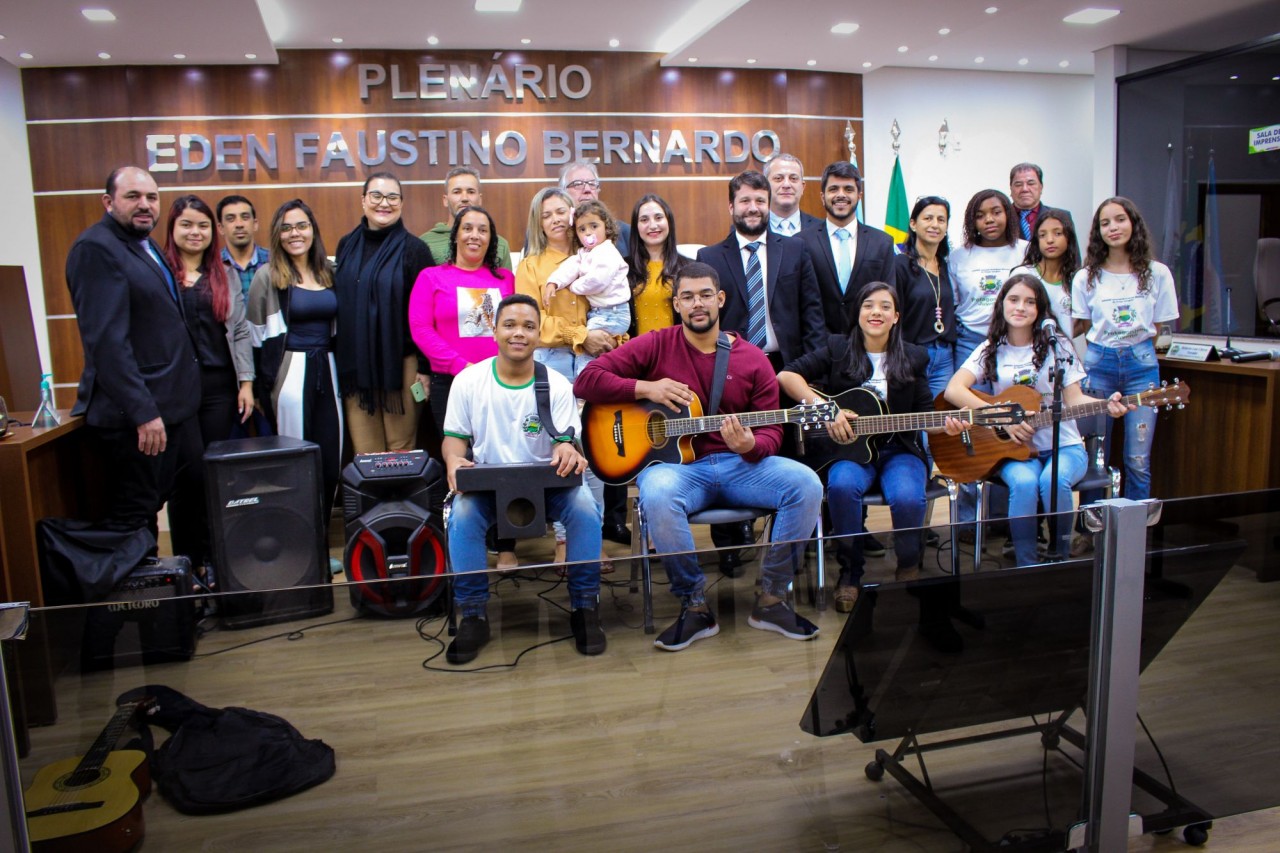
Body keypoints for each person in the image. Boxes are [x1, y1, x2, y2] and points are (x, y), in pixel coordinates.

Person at [574, 262, 824, 651]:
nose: (697, 304)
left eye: (705, 294)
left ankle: (773, 598)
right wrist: (647, 389)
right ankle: (694, 605)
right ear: (676, 304)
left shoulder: (752, 359)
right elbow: (586, 380)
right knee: (655, 491)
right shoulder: (656, 344)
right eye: (687, 296)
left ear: (720, 299)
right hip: (680, 471)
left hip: (742, 466)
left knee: (806, 483)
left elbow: (773, 431)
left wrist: (751, 447)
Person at [442, 293, 605, 664]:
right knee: (464, 515)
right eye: (510, 325)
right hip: (487, 486)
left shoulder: (559, 386)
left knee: (583, 506)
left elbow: (567, 440)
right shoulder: (468, 381)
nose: (519, 333)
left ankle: (584, 607)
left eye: (529, 326)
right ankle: (472, 613)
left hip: (546, 486)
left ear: (538, 334)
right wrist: (453, 461)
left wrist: (567, 449)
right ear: (494, 330)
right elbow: (454, 442)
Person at [779, 281, 950, 612]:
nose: (877, 312)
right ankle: (851, 573)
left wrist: (949, 424)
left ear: (897, 316)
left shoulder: (914, 356)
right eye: (869, 305)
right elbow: (787, 377)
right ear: (857, 313)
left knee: (906, 496)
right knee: (842, 487)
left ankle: (908, 563)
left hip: (899, 449)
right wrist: (826, 409)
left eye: (885, 306)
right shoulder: (837, 348)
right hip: (848, 450)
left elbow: (926, 414)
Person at [946, 274, 1131, 566]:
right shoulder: (990, 348)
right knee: (1024, 483)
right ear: (1002, 304)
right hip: (1015, 450)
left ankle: (1059, 555)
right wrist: (1001, 419)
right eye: (1014, 299)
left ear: (1040, 309)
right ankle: (1027, 565)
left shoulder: (1059, 349)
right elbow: (954, 389)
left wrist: (1108, 405)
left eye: (1030, 302)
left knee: (1053, 479)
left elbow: (1075, 400)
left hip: (1065, 446)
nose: (1021, 307)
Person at [65, 166, 202, 556]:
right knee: (133, 519)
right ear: (108, 202)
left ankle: (170, 599)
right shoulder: (95, 249)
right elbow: (107, 343)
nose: (145, 205)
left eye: (152, 197)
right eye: (133, 197)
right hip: (137, 419)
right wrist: (143, 412)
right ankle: (132, 610)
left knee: (174, 497)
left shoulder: (145, 244)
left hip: (173, 407)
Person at [407, 206, 516, 565]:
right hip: (450, 383)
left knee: (501, 459)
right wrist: (461, 367)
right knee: (461, 460)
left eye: (482, 230)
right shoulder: (431, 277)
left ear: (492, 239)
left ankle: (505, 546)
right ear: (455, 235)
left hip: (503, 382)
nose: (474, 235)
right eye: (467, 228)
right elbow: (420, 329)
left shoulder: (503, 281)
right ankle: (465, 545)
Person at [515, 187, 614, 567]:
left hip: (596, 360)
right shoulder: (531, 265)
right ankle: (561, 540)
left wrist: (602, 337)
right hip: (553, 361)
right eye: (547, 214)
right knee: (561, 448)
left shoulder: (595, 256)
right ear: (538, 223)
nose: (557, 219)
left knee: (595, 448)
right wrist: (580, 335)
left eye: (562, 211)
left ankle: (592, 536)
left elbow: (611, 303)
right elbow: (531, 322)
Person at [162, 195, 254, 569]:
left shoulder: (224, 273)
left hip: (218, 388)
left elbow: (242, 330)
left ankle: (219, 561)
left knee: (214, 476)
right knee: (186, 477)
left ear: (211, 232)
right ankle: (188, 562)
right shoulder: (161, 272)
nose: (194, 232)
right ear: (172, 229)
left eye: (201, 225)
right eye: (186, 224)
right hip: (177, 389)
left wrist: (246, 381)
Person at [1071, 197, 1179, 503]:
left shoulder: (1157, 273)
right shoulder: (1086, 276)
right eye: (1105, 223)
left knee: (1138, 458)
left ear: (1134, 223)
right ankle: (1090, 530)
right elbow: (1083, 324)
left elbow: (1160, 327)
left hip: (1141, 365)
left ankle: (1135, 533)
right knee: (1094, 456)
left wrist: (1134, 348)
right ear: (1097, 232)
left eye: (1120, 220)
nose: (1113, 228)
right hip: (1098, 364)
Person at [246, 200, 344, 523]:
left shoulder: (329, 272)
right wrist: (261, 390)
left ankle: (321, 531)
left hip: (329, 371)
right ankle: (299, 542)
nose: (295, 234)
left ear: (313, 231)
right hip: (289, 374)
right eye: (286, 228)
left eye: (301, 225)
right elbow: (256, 338)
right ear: (277, 234)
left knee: (333, 455)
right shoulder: (268, 277)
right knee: (296, 461)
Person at [334, 172, 436, 454]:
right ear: (363, 201)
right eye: (376, 196)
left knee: (400, 451)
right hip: (357, 366)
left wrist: (425, 370)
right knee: (366, 454)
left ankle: (400, 501)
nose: (384, 203)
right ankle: (374, 501)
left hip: (402, 366)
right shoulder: (346, 246)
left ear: (401, 203)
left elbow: (429, 315)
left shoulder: (415, 250)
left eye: (392, 197)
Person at [696, 169, 825, 371]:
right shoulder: (709, 258)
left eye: (760, 201)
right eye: (745, 201)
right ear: (731, 207)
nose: (753, 208)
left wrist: (813, 370)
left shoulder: (796, 250)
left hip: (789, 368)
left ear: (768, 205)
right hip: (731, 368)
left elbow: (812, 315)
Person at [796, 161, 897, 335]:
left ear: (859, 195)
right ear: (822, 196)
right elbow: (798, 302)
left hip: (867, 345)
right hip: (818, 349)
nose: (841, 195)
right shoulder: (801, 242)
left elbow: (888, 298)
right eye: (833, 189)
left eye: (848, 189)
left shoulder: (882, 242)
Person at [949, 189, 1028, 377]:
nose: (989, 219)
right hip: (970, 340)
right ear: (972, 221)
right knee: (972, 400)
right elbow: (953, 302)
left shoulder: (1026, 251)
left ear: (1008, 214)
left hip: (1015, 340)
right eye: (980, 215)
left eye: (996, 212)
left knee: (1013, 400)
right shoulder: (958, 256)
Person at [543, 199, 631, 350]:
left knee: (588, 348)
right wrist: (554, 282)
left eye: (594, 226)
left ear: (607, 228)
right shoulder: (584, 253)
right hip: (599, 313)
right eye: (582, 229)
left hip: (614, 313)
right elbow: (570, 267)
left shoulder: (607, 252)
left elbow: (597, 281)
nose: (588, 232)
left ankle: (585, 373)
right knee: (590, 347)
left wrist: (573, 286)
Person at [895, 196, 957, 397]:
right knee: (917, 422)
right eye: (928, 218)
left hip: (945, 356)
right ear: (913, 224)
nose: (935, 225)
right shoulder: (900, 265)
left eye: (941, 220)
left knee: (941, 423)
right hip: (912, 354)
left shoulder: (948, 266)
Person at [1011, 207, 1082, 345]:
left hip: (1064, 355)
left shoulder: (1077, 279)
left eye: (1057, 233)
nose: (1049, 240)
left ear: (1069, 237)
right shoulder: (1023, 274)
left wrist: (1064, 335)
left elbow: (1083, 321)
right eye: (1042, 235)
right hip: (1029, 353)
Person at [419, 167, 513, 271]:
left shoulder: (500, 244)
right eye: (457, 192)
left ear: (480, 199)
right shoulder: (425, 242)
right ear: (445, 200)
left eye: (471, 192)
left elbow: (505, 284)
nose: (464, 198)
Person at [625, 193, 687, 337]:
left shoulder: (688, 268)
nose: (652, 225)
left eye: (658, 218)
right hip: (635, 355)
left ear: (669, 222)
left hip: (677, 353)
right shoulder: (622, 268)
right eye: (644, 219)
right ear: (636, 227)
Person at [560, 160, 631, 251]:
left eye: (592, 184)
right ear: (563, 193)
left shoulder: (624, 233)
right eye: (578, 184)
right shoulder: (559, 234)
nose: (587, 189)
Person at [217, 194, 270, 298]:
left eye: (245, 217)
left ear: (255, 224)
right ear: (221, 228)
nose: (239, 224)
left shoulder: (274, 261)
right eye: (231, 219)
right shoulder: (212, 266)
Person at [764, 153, 822, 235]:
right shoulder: (752, 227)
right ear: (765, 186)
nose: (786, 185)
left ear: (802, 187)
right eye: (778, 178)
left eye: (793, 178)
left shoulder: (822, 229)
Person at [1010, 163, 1048, 241]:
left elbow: (1072, 252)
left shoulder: (1060, 217)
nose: (1025, 189)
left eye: (1031, 183)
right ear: (1011, 188)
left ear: (1041, 187)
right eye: (1018, 184)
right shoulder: (1001, 218)